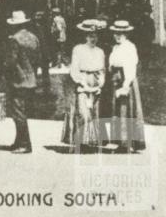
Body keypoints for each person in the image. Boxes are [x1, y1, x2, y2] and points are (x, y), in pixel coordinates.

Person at [61, 19, 105, 153]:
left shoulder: (100, 51)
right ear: (85, 36)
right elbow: (74, 69)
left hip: (96, 81)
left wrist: (100, 84)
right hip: (82, 81)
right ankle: (81, 142)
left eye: (95, 35)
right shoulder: (78, 49)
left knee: (94, 112)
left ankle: (92, 142)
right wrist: (82, 83)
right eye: (90, 35)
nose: (93, 38)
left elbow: (102, 70)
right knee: (82, 112)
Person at [3, 10, 39, 153]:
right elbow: (37, 58)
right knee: (23, 111)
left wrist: (3, 71)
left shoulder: (14, 39)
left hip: (18, 80)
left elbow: (11, 61)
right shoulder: (33, 37)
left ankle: (25, 143)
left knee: (18, 112)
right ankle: (19, 141)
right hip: (30, 79)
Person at [106, 20, 145, 154]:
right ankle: (120, 142)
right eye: (116, 33)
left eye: (121, 34)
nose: (118, 36)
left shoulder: (129, 47)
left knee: (126, 109)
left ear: (126, 34)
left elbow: (130, 67)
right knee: (117, 109)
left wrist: (125, 85)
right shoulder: (115, 47)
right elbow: (112, 64)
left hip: (125, 79)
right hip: (116, 79)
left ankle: (127, 143)